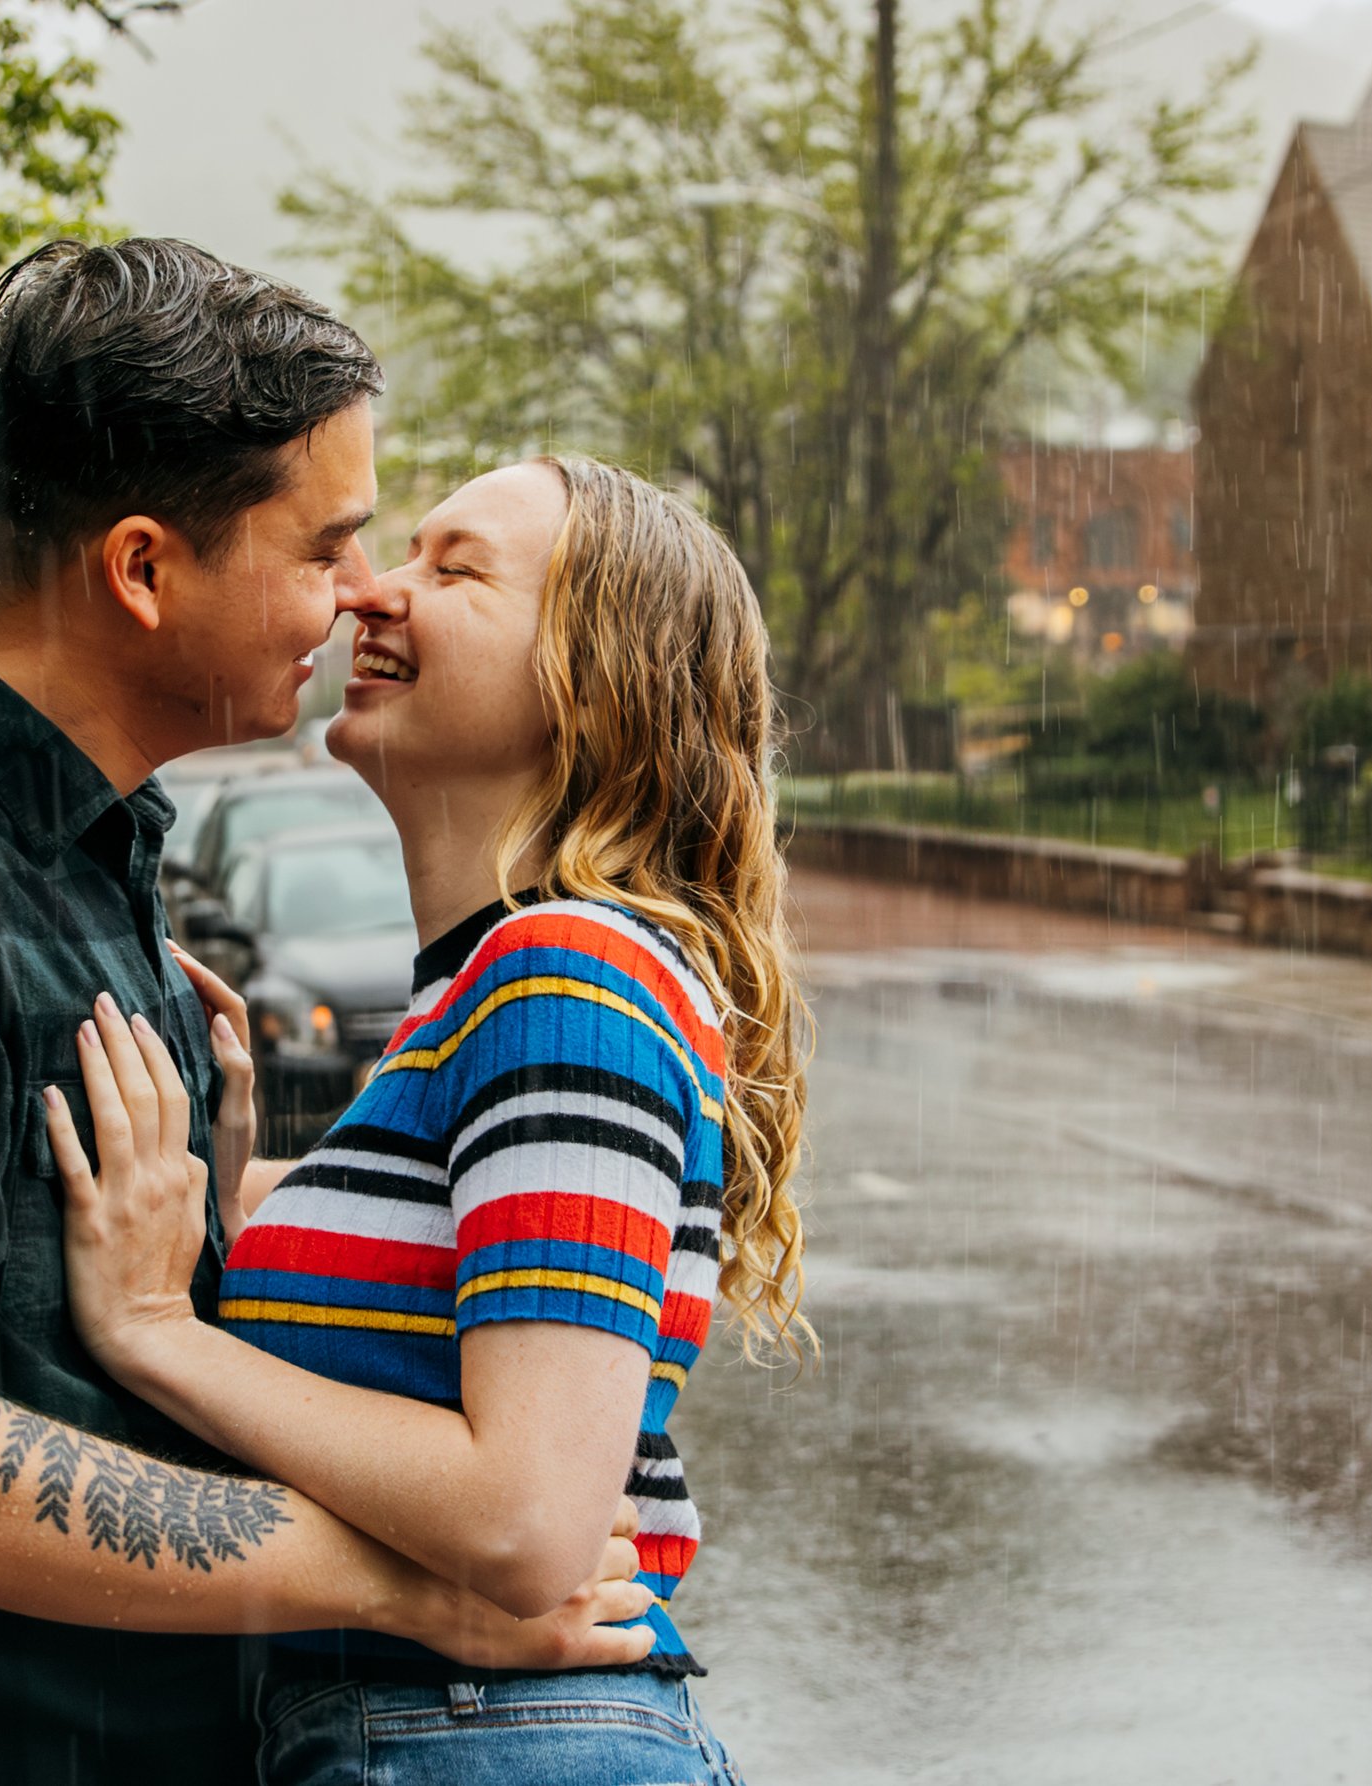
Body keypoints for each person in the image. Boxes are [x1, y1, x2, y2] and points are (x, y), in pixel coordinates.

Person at [0, 241, 652, 1786]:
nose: (363, 594)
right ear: (145, 570)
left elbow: (59, 1346)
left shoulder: (75, 864)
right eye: (327, 545)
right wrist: (404, 1584)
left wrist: (227, 1217)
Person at [45, 455, 811, 1784]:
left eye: (452, 570)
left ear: (596, 681)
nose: (368, 594)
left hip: (497, 1744)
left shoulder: (569, 975)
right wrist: (243, 1208)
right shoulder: (480, 993)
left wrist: (160, 1330)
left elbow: (526, 1518)